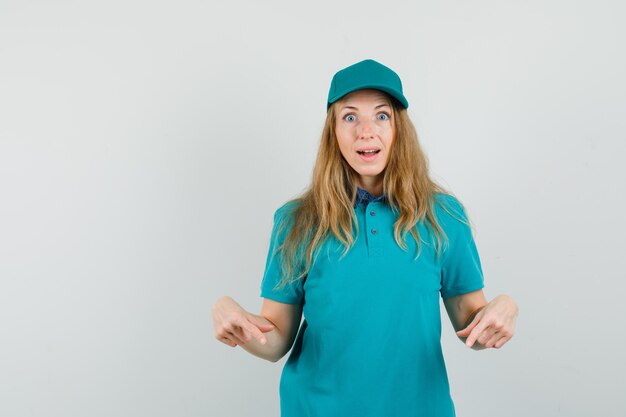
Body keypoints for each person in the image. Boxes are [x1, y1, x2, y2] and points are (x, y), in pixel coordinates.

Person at [212, 58, 519, 416]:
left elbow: (473, 326)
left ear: (399, 129)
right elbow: (276, 338)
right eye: (350, 117)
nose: (366, 131)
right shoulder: (295, 221)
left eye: (382, 115)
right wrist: (233, 318)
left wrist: (505, 307)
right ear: (333, 131)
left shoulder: (444, 216)